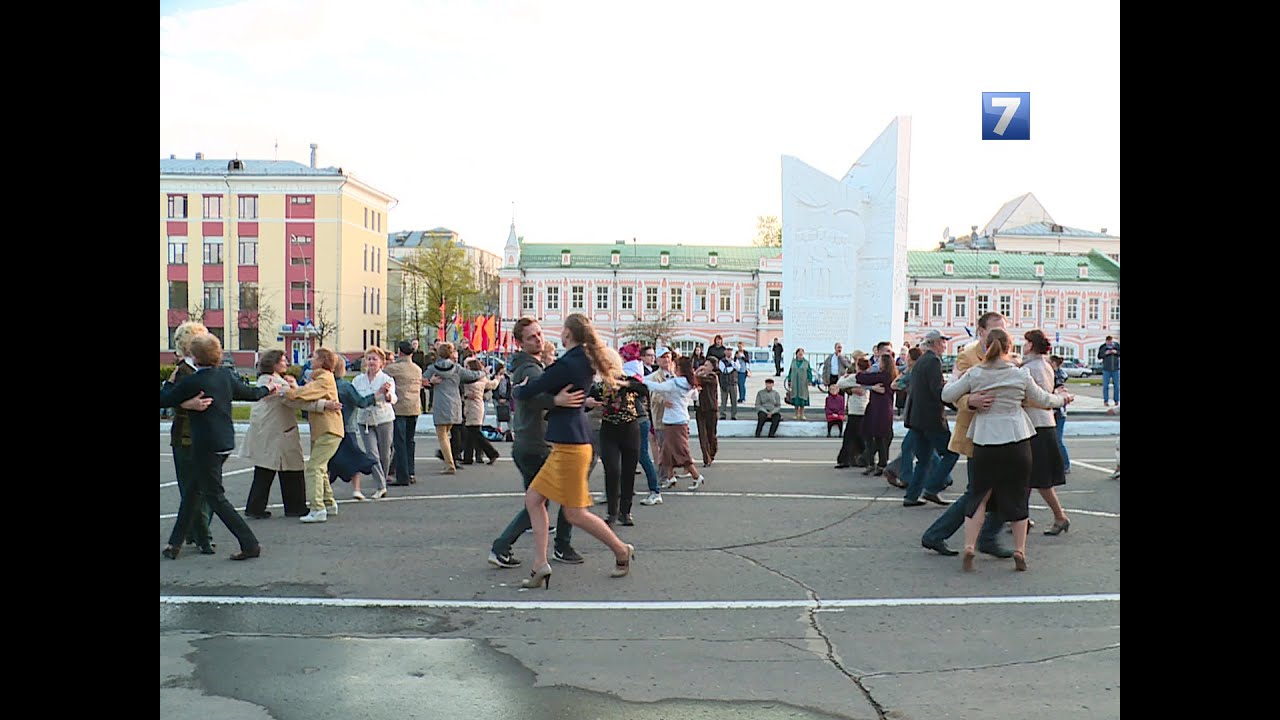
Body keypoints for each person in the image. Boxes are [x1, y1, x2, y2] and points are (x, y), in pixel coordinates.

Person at [512, 314, 635, 589]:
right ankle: (540, 564)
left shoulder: (570, 362)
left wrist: (519, 391)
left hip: (571, 446)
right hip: (568, 443)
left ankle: (621, 550)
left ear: (568, 333)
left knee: (574, 513)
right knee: (534, 499)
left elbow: (535, 388)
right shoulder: (581, 359)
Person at [941, 328, 1072, 572]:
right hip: (1016, 439)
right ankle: (1019, 550)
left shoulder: (976, 373)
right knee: (1018, 495)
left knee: (980, 495)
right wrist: (1063, 399)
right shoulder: (1019, 374)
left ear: (986, 346)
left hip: (985, 440)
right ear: (1009, 347)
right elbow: (1044, 400)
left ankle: (969, 545)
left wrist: (967, 393)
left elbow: (947, 394)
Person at [159, 333, 273, 560]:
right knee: (192, 491)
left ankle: (250, 543)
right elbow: (250, 394)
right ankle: (174, 543)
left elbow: (164, 400)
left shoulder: (193, 381)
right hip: (224, 442)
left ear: (194, 356)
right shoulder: (225, 376)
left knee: (216, 498)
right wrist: (268, 389)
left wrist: (169, 383)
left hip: (204, 446)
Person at [487, 318, 584, 569]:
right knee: (545, 499)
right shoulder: (529, 369)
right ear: (519, 343)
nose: (539, 339)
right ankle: (556, 546)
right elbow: (532, 397)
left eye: (539, 334)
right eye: (531, 337)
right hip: (535, 442)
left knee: (539, 500)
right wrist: (557, 401)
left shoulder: (530, 365)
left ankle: (509, 547)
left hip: (530, 441)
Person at [920, 312, 1014, 558]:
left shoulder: (1009, 356)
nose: (1000, 335)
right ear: (981, 331)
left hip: (1002, 434)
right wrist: (970, 400)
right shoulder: (968, 356)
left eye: (1003, 330)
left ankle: (984, 535)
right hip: (977, 432)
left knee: (997, 488)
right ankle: (943, 535)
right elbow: (952, 391)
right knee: (980, 490)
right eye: (995, 330)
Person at [242, 349, 324, 518]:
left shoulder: (264, 381)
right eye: (283, 360)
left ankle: (255, 507)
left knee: (265, 470)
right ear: (274, 364)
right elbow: (296, 401)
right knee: (292, 468)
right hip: (279, 432)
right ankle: (295, 506)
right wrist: (324, 405)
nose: (286, 362)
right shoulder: (278, 384)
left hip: (265, 432)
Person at [282, 348, 346, 524]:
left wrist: (286, 390)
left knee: (314, 468)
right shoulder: (320, 378)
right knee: (321, 467)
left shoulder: (323, 378)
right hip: (325, 429)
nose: (311, 359)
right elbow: (307, 399)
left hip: (329, 429)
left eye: (315, 357)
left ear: (323, 361)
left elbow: (303, 394)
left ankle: (318, 508)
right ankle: (328, 502)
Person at [167, 321, 215, 547]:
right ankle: (200, 535)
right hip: (186, 437)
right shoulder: (183, 372)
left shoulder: (201, 369)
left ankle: (195, 532)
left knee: (203, 491)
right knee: (193, 491)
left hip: (203, 437)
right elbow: (168, 399)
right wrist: (188, 404)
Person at [589, 349, 650, 526]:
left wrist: (624, 385)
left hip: (630, 429)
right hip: (609, 430)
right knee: (613, 470)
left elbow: (644, 390)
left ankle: (626, 511)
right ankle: (612, 512)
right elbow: (587, 400)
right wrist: (589, 403)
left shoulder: (628, 380)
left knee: (628, 471)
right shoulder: (600, 386)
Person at [1021, 330, 1072, 535]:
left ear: (1031, 345)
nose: (1023, 345)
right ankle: (1021, 517)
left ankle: (1060, 516)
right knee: (1027, 477)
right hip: (1037, 424)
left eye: (1025, 342)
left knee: (1039, 478)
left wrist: (1021, 399)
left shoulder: (1037, 367)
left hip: (1038, 425)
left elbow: (1040, 397)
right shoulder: (1038, 364)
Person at [901, 331, 960, 506]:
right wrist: (955, 405)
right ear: (935, 343)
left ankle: (911, 496)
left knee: (924, 459)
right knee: (951, 453)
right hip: (931, 418)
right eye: (943, 342)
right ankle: (932, 488)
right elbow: (937, 389)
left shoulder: (920, 361)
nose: (945, 345)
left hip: (917, 418)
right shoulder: (933, 361)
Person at [645, 355, 708, 490]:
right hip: (678, 419)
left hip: (675, 422)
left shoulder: (675, 383)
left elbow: (657, 387)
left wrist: (640, 380)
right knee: (666, 451)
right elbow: (695, 396)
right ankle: (670, 476)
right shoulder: (689, 382)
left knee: (681, 452)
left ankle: (697, 476)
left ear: (679, 368)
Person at [423, 342, 486, 474]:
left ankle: (449, 464)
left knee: (443, 436)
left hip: (440, 404)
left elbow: (421, 380)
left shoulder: (433, 369)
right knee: (452, 432)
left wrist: (430, 382)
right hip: (455, 404)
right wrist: (483, 372)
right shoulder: (457, 369)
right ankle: (452, 459)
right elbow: (473, 376)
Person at [352, 347, 397, 499]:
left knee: (385, 453)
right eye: (369, 359)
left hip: (384, 418)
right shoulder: (358, 380)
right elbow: (357, 399)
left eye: (374, 359)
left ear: (382, 363)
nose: (371, 362)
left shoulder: (387, 379)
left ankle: (381, 479)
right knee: (372, 453)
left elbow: (393, 398)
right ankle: (381, 486)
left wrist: (388, 394)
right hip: (365, 420)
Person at [384, 341, 423, 486]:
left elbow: (381, 376)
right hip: (414, 407)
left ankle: (402, 476)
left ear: (399, 352)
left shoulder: (394, 368)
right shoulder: (417, 369)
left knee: (399, 443)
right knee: (410, 441)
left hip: (399, 408)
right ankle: (411, 472)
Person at [857, 353, 897, 476]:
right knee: (875, 436)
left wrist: (862, 373)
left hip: (880, 410)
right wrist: (872, 387)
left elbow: (862, 378)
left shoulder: (884, 376)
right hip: (878, 408)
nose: (877, 364)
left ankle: (879, 464)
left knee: (878, 436)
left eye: (879, 361)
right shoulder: (889, 375)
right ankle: (877, 463)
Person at [461, 356, 500, 465]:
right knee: (470, 432)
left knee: (475, 432)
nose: (466, 369)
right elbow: (492, 384)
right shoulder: (481, 378)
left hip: (474, 406)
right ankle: (468, 457)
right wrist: (497, 379)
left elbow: (492, 385)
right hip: (473, 406)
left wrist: (496, 378)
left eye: (467, 367)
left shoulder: (471, 379)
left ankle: (492, 452)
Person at [1049, 355, 1071, 474]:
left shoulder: (1058, 375)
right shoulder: (1056, 374)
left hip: (1059, 411)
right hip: (1055, 410)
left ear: (1054, 363)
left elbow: (1056, 389)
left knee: (1057, 439)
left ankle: (1065, 464)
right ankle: (1058, 464)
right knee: (1053, 439)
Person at [696, 358, 720, 466]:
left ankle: (712, 452)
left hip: (710, 408)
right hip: (700, 408)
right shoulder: (701, 377)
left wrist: (696, 372)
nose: (704, 367)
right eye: (704, 365)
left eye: (707, 365)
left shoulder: (712, 377)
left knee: (711, 433)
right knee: (702, 435)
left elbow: (696, 379)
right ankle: (706, 458)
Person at [785, 348, 814, 420]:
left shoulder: (806, 362)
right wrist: (789, 380)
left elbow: (809, 372)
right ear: (797, 354)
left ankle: (802, 414)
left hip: (803, 383)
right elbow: (790, 372)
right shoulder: (793, 362)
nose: (801, 355)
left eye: (802, 354)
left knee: (802, 398)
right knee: (795, 398)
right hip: (795, 383)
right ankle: (796, 414)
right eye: (799, 354)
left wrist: (810, 380)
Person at [1098, 336, 1121, 406]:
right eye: (1108, 342)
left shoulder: (1117, 345)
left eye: (1110, 342)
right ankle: (1106, 401)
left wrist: (1116, 352)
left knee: (1116, 386)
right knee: (1105, 386)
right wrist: (1105, 353)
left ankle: (1116, 400)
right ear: (1106, 341)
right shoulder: (1103, 347)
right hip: (1106, 369)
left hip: (1116, 369)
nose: (1109, 343)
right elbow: (1099, 356)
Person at [716, 348, 738, 421]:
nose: (729, 352)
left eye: (730, 351)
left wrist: (732, 363)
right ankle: (722, 414)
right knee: (724, 400)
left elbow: (738, 368)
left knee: (734, 400)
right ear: (725, 352)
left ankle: (734, 415)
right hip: (724, 383)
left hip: (733, 383)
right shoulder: (722, 361)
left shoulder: (735, 360)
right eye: (728, 351)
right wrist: (732, 367)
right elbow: (724, 370)